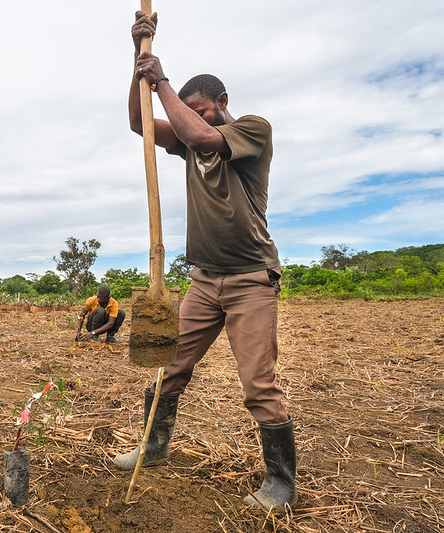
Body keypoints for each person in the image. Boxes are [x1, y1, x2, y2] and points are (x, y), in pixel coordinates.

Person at [113, 11, 296, 511]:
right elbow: (139, 123)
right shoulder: (190, 146)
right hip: (202, 281)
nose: (195, 117)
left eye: (202, 109)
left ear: (222, 103)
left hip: (250, 281)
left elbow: (201, 137)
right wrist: (139, 62)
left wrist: (163, 80)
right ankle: (153, 447)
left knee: (259, 383)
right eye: (189, 110)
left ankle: (281, 481)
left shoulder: (253, 131)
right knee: (168, 368)